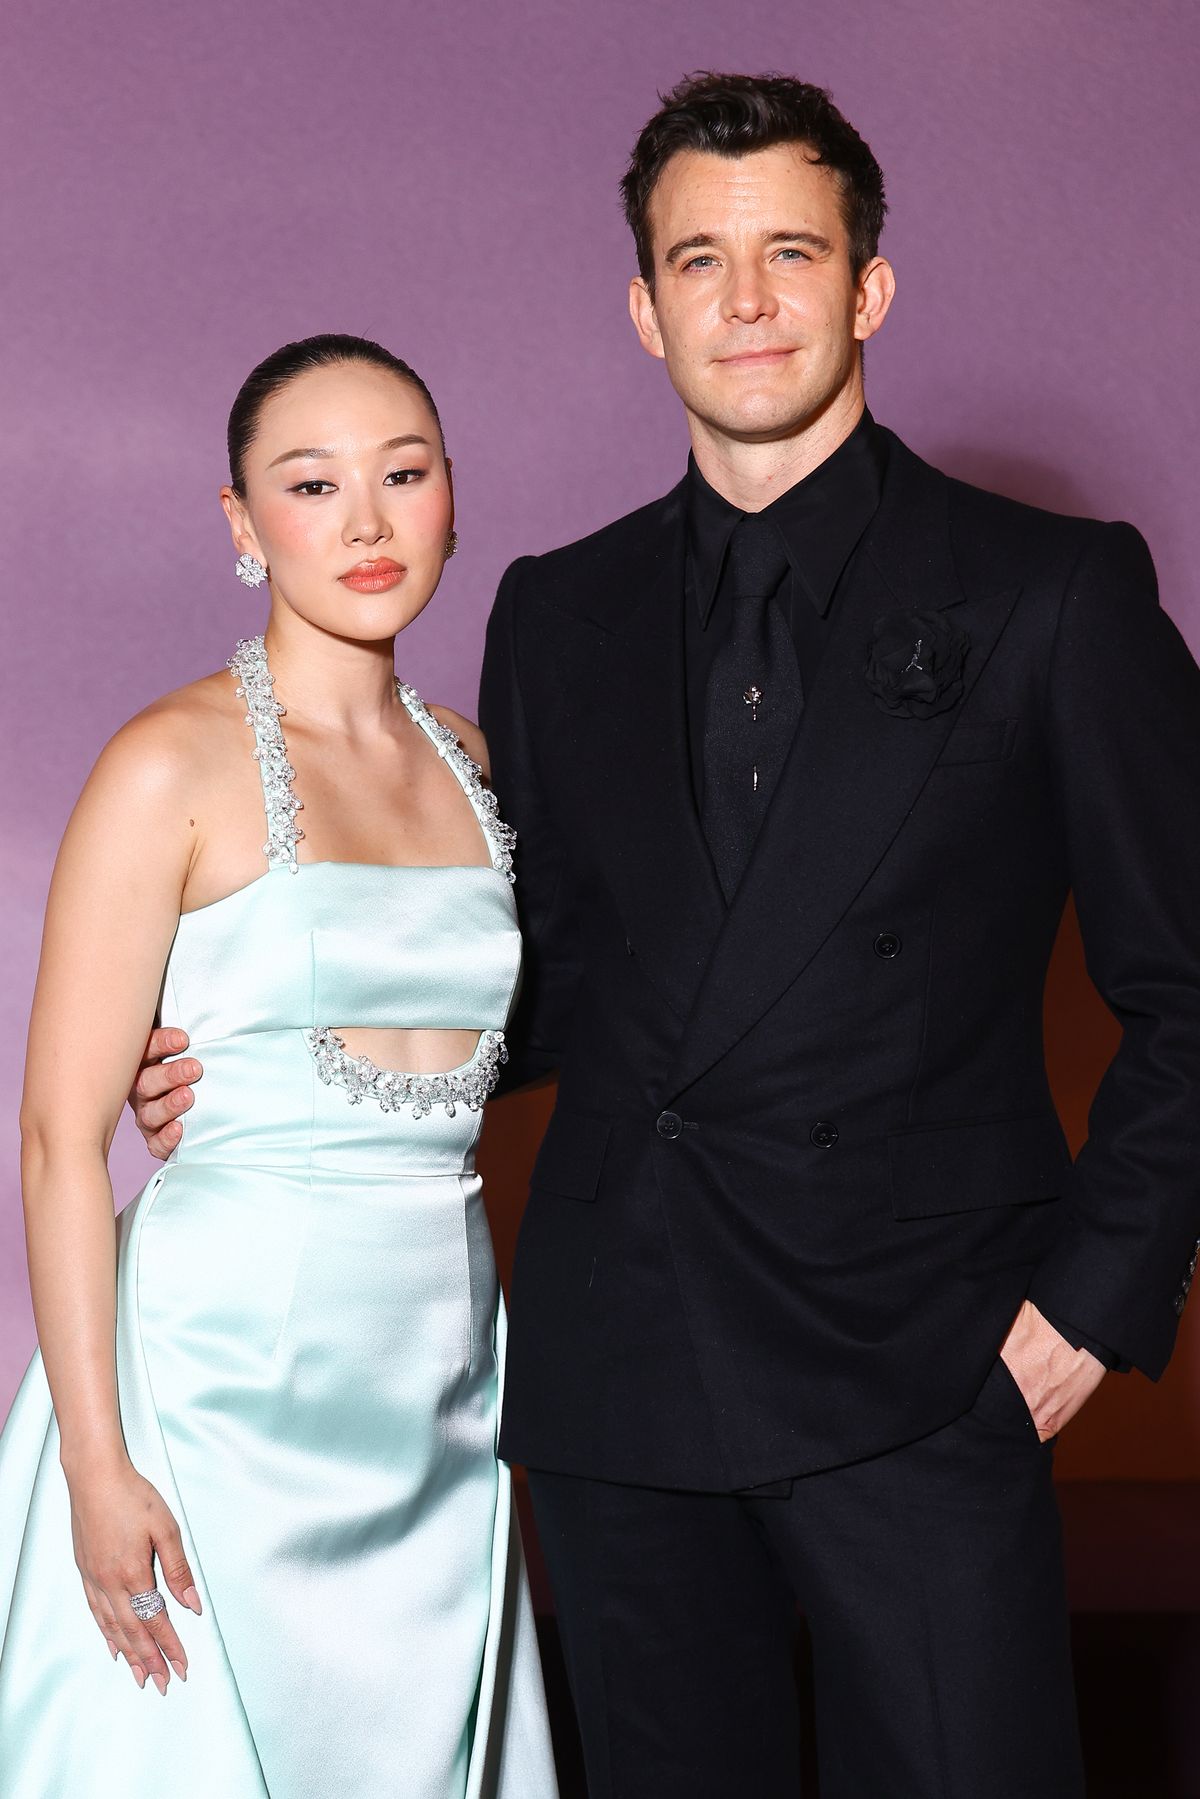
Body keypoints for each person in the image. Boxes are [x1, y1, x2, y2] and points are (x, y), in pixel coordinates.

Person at [127, 76, 1200, 1798]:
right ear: (645, 307)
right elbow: (558, 977)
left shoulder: (1053, 590)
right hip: (626, 1365)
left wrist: (1095, 1300)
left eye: (794, 253)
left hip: (923, 1361)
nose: (748, 299)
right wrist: (268, 1059)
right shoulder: (561, 607)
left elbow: (1187, 978)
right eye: (702, 260)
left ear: (870, 286)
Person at [0, 334, 557, 1798]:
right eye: (312, 486)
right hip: (215, 1390)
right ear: (242, 523)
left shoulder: (478, 764)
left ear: (453, 499)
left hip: (441, 1389)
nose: (366, 521)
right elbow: (58, 1140)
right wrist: (100, 1464)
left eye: (403, 475)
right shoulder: (165, 765)